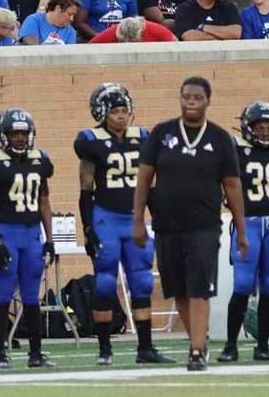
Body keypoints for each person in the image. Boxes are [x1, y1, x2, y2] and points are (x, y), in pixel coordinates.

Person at [133, 77, 246, 370]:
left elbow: (233, 186)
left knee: (199, 288)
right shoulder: (161, 133)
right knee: (179, 290)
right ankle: (199, 340)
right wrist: (138, 220)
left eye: (197, 97)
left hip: (204, 226)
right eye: (186, 97)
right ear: (180, 99)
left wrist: (241, 229)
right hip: (166, 225)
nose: (191, 102)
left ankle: (196, 350)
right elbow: (144, 180)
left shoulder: (220, 138)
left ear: (208, 101)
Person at [74, 85, 173, 366]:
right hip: (106, 218)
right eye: (115, 111)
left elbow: (150, 185)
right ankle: (105, 350)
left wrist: (159, 220)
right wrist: (88, 228)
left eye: (124, 111)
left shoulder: (143, 137)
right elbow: (86, 188)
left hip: (134, 219)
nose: (121, 116)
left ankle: (145, 349)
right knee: (105, 283)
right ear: (102, 114)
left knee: (142, 281)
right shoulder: (91, 141)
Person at [0, 109, 56, 370]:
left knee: (32, 296)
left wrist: (50, 238)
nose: (20, 138)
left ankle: (36, 354)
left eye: (23, 133)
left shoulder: (40, 160)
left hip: (32, 234)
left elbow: (44, 202)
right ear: (4, 135)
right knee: (3, 294)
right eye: (14, 133)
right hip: (6, 233)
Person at [219, 101, 269, 363]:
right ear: (248, 127)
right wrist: (225, 200)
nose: (264, 132)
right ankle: (230, 346)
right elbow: (215, 179)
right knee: (243, 283)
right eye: (259, 127)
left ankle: (263, 346)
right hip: (247, 222)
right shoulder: (234, 147)